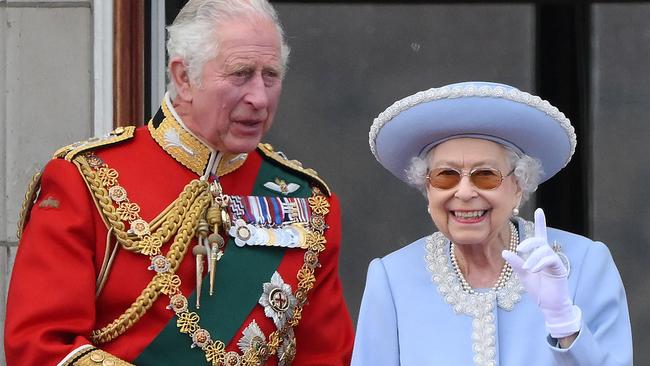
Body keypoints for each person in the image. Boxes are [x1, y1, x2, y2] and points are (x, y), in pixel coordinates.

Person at [4, 0, 354, 365]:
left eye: (271, 75)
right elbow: (39, 348)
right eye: (240, 74)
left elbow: (327, 356)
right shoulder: (86, 179)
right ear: (184, 77)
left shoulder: (309, 203)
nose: (260, 98)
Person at [352, 81, 632, 365]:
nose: (463, 192)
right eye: (445, 176)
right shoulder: (392, 278)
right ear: (428, 190)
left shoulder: (585, 264)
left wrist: (564, 323)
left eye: (485, 175)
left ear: (519, 186)